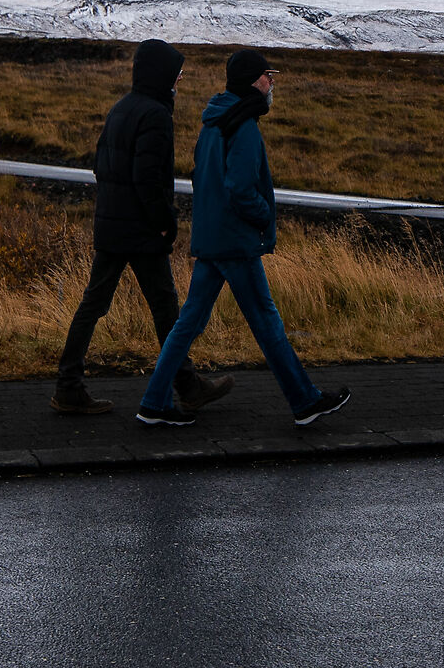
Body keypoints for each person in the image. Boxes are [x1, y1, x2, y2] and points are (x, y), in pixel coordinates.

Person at [136, 48, 350, 428]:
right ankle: (304, 402)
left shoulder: (214, 122)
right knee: (267, 323)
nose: (272, 83)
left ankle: (153, 402)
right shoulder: (245, 126)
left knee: (187, 324)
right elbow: (239, 187)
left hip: (212, 238)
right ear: (256, 80)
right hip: (236, 241)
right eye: (270, 76)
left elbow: (203, 179)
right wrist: (263, 215)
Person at [51, 38, 233, 417]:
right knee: (167, 310)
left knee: (94, 305)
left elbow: (100, 165)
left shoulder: (121, 108)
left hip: (114, 227)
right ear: (160, 74)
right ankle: (187, 386)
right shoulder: (154, 115)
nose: (179, 79)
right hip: (141, 232)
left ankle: (69, 385)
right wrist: (166, 223)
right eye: (176, 72)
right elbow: (148, 179)